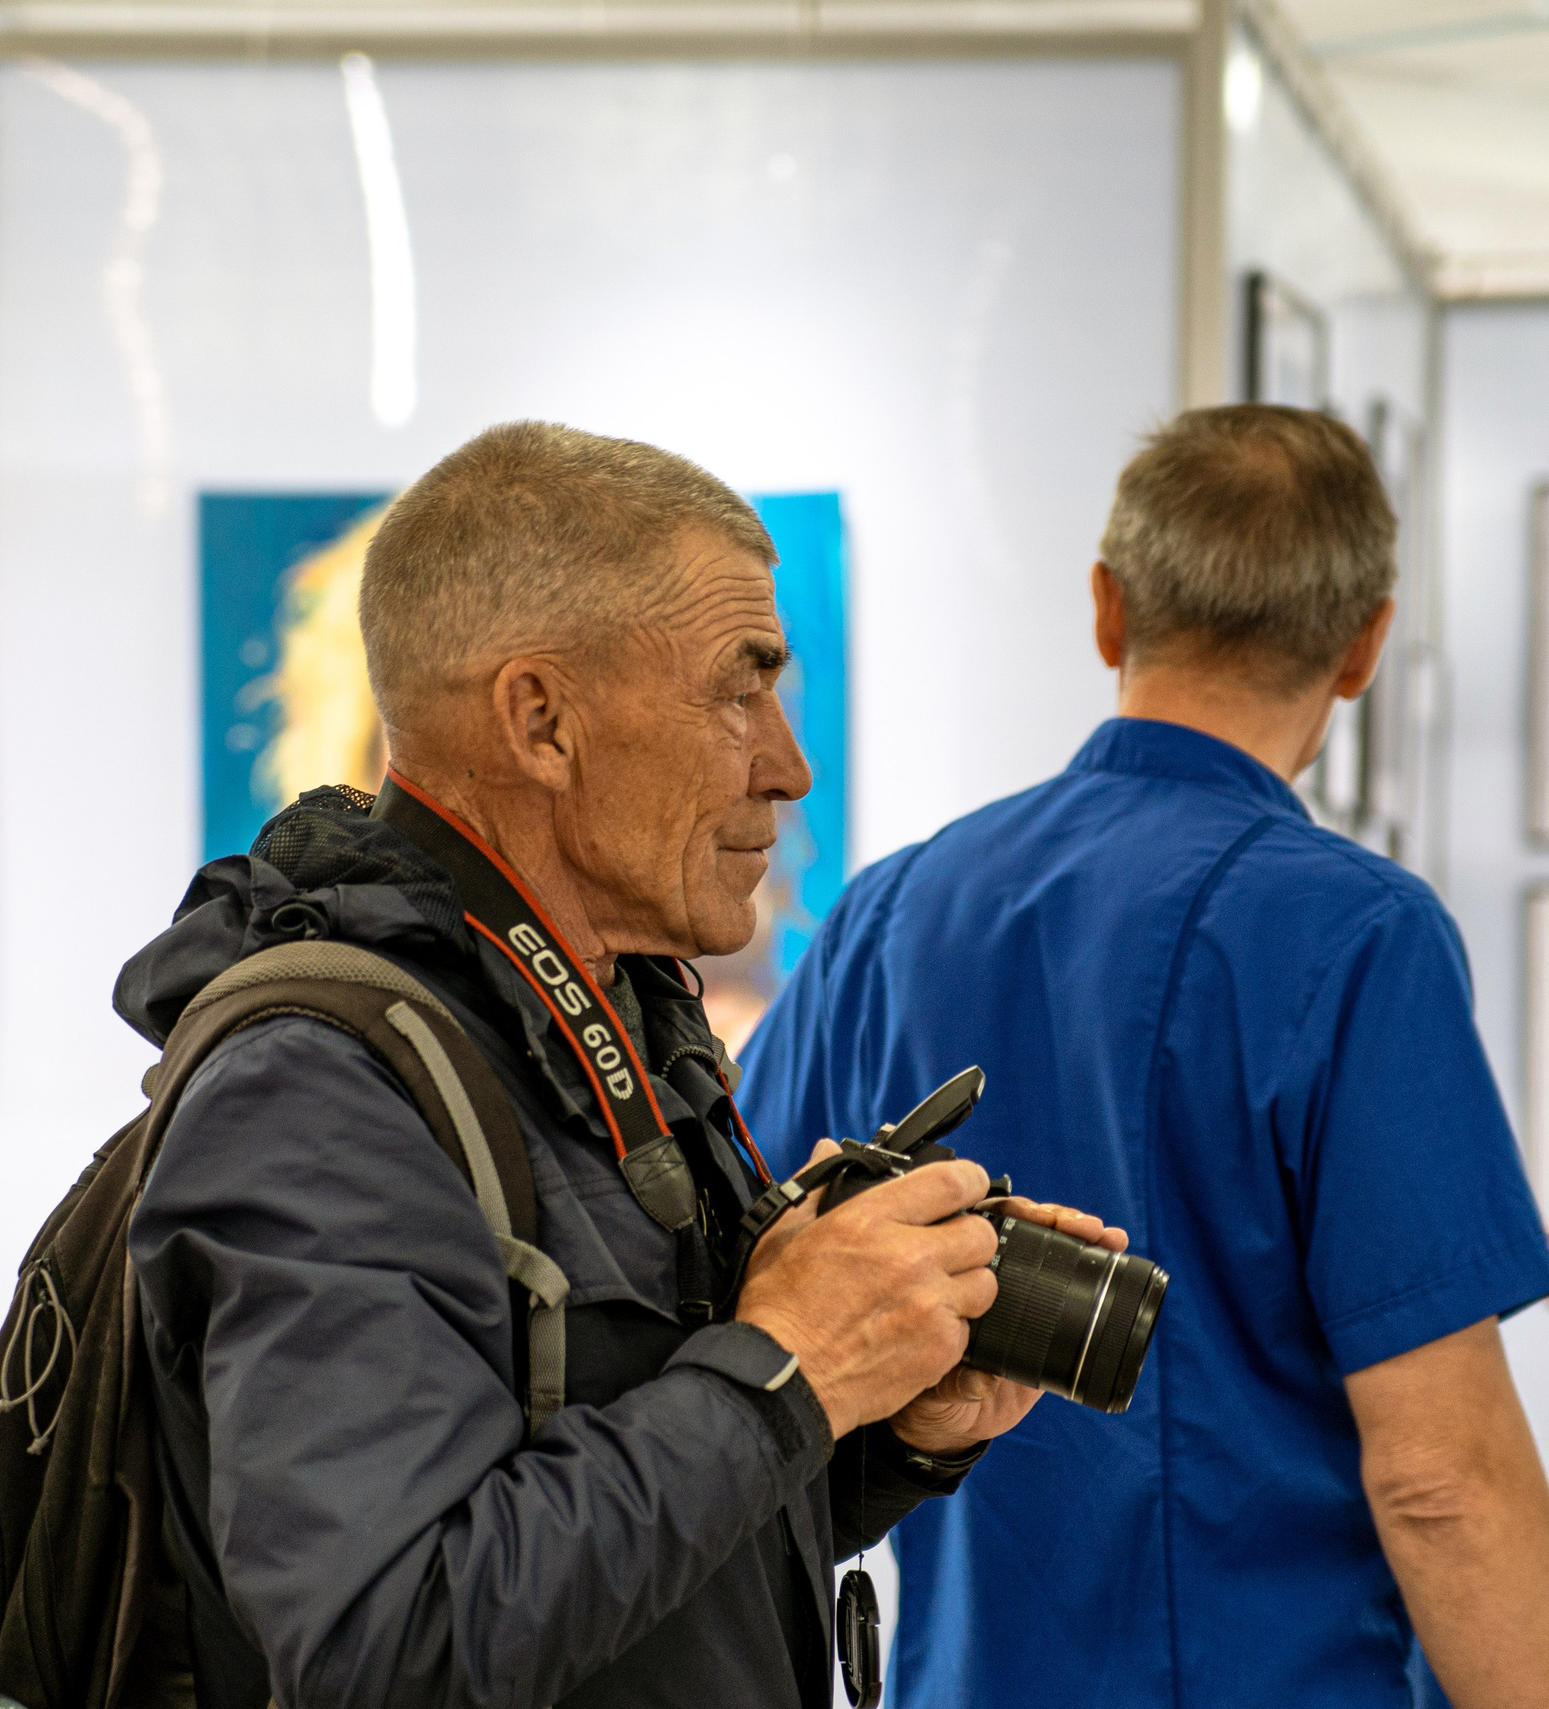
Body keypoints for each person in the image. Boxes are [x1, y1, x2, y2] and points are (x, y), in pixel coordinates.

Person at [120, 421, 1125, 1709]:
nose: (788, 764)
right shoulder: (317, 1092)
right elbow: (387, 1646)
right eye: (739, 686)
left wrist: (882, 1414)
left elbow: (630, 1550)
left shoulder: (618, 1019)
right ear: (541, 720)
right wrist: (786, 1363)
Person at [738, 403, 1549, 1709]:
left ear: (1105, 610)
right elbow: (1443, 1474)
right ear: (1365, 643)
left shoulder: (892, 909)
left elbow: (746, 1277)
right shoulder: (1359, 936)